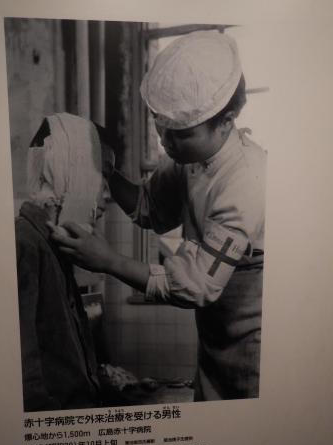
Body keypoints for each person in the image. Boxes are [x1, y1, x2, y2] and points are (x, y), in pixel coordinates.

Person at [48, 31, 266, 401]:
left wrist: (108, 261)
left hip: (251, 343)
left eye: (180, 134)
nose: (165, 142)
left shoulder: (245, 182)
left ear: (226, 120)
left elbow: (195, 287)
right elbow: (149, 208)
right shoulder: (187, 156)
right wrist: (107, 172)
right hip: (212, 335)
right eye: (159, 126)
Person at [15, 112, 110, 411]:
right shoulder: (26, 244)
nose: (107, 196)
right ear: (72, 170)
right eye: (102, 178)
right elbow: (25, 378)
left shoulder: (56, 241)